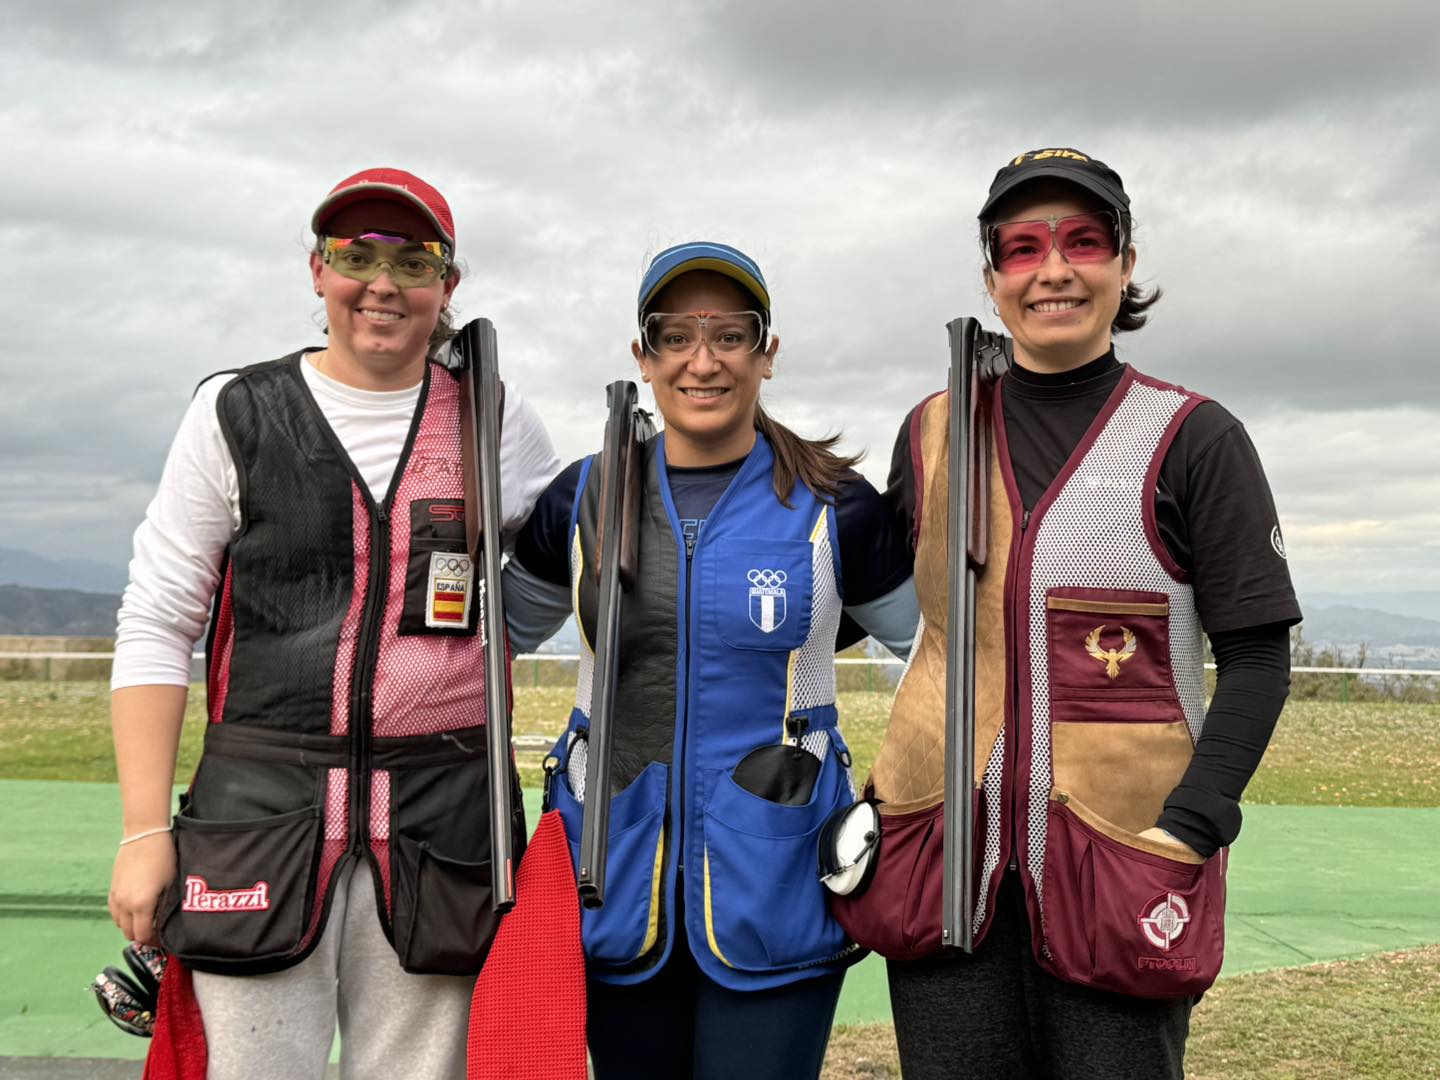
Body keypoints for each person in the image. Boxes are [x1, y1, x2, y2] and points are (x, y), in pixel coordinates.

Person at [836, 148, 1302, 1079]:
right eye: (1023, 247)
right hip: (940, 859)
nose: (1054, 269)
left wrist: (1192, 826)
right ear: (991, 277)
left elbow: (1256, 658)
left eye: (1084, 242)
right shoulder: (931, 432)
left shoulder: (1195, 438)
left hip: (1120, 866)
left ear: (1125, 265)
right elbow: (868, 604)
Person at [106, 167, 560, 1080]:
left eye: (415, 259)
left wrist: (483, 648)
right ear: (317, 271)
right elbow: (159, 620)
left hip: (445, 826)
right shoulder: (236, 412)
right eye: (356, 255)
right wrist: (143, 830)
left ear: (450, 285)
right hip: (263, 814)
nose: (383, 284)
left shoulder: (496, 420)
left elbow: (551, 573)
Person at [500, 241, 919, 1080]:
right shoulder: (580, 500)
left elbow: (934, 652)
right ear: (642, 356)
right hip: (610, 876)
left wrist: (891, 792)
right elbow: (486, 641)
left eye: (730, 335)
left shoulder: (837, 506)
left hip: (781, 877)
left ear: (767, 354)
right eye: (675, 335)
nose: (703, 360)